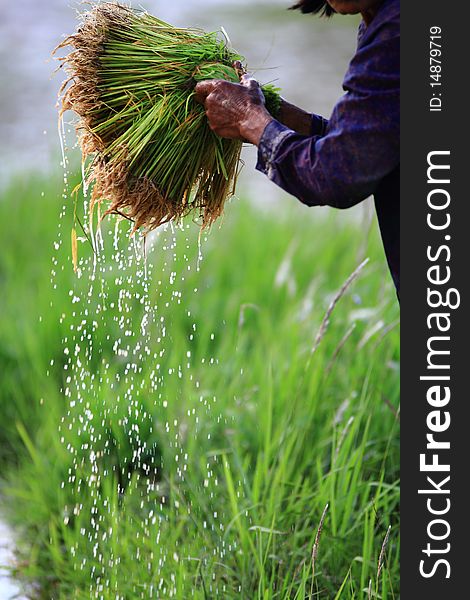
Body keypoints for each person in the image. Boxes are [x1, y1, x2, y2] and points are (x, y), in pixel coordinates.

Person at [195, 0, 400, 295]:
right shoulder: (381, 18)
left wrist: (249, 121)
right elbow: (372, 145)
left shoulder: (398, 32)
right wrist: (272, 113)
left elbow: (337, 174)